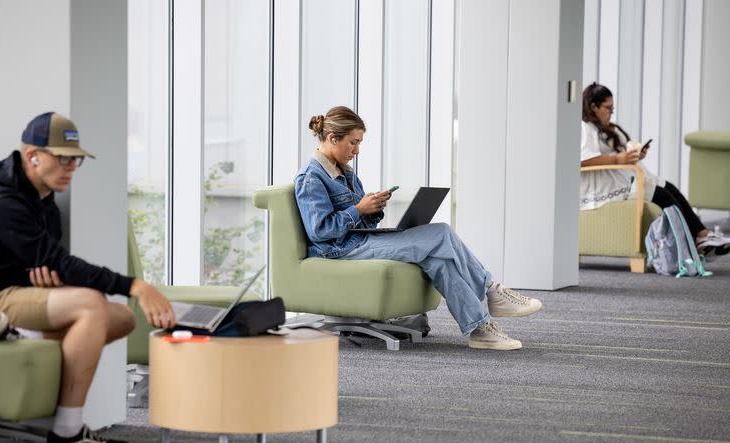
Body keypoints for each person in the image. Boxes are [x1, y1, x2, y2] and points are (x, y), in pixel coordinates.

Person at [0, 112, 177, 443]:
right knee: (92, 304)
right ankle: (67, 431)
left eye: (75, 160)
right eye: (62, 158)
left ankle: (19, 336)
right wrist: (135, 285)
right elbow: (59, 262)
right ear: (32, 155)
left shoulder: (46, 205)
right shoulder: (0, 201)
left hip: (9, 298)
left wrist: (45, 281)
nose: (70, 168)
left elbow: (47, 265)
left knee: (121, 318)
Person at [294, 106, 542, 351]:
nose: (357, 150)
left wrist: (372, 209)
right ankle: (492, 290)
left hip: (357, 241)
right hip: (339, 250)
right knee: (442, 232)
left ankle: (480, 329)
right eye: (353, 143)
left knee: (439, 259)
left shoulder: (345, 172)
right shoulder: (311, 178)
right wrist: (358, 209)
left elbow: (359, 223)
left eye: (359, 143)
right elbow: (320, 231)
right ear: (332, 138)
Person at [580, 83, 729, 255]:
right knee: (662, 195)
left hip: (620, 178)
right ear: (593, 106)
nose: (611, 113)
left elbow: (619, 154)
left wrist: (635, 155)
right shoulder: (585, 128)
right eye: (608, 108)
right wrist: (618, 158)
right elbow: (583, 160)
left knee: (669, 187)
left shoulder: (607, 128)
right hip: (600, 187)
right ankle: (691, 243)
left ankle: (702, 235)